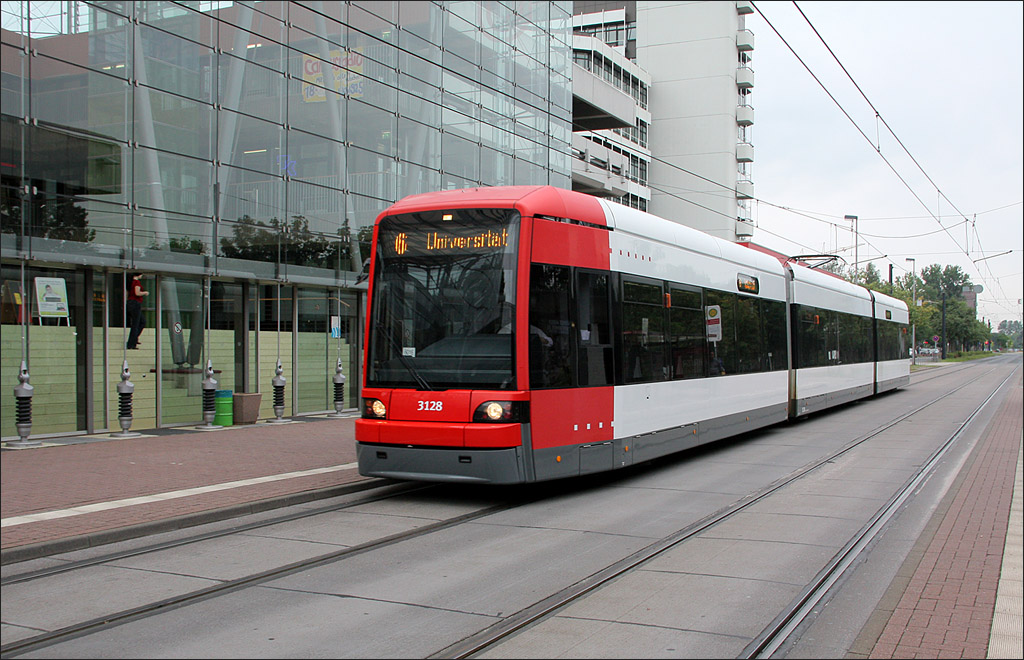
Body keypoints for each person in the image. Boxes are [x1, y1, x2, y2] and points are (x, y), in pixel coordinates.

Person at [126, 273, 149, 349]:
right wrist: (145, 293)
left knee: (141, 322)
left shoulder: (130, 282)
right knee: (136, 324)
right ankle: (131, 343)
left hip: (131, 303)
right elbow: (137, 293)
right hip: (135, 303)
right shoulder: (136, 282)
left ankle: (134, 339)